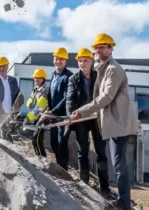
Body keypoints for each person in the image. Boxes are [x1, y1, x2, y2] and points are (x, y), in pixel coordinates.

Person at [71, 33, 138, 210]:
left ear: (110, 48)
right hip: (115, 123)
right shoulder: (104, 68)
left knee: (119, 165)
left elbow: (106, 97)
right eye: (97, 48)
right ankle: (123, 201)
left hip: (119, 124)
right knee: (118, 164)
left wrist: (82, 111)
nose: (98, 51)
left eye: (102, 47)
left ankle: (124, 204)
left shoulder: (113, 70)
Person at [66, 48, 110, 196]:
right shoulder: (73, 79)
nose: (82, 63)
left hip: (98, 119)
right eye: (80, 61)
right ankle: (84, 186)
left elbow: (105, 96)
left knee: (101, 153)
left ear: (92, 61)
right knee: (82, 151)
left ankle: (105, 188)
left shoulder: (99, 76)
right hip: (81, 119)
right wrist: (71, 115)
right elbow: (70, 100)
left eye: (85, 60)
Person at [43, 47, 73, 170]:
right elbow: (50, 94)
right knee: (54, 143)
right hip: (53, 117)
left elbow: (66, 98)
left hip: (62, 117)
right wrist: (48, 109)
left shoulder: (68, 77)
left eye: (61, 59)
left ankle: (63, 169)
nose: (58, 61)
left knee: (61, 144)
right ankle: (59, 168)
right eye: (56, 58)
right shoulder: (53, 75)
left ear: (65, 60)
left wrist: (53, 111)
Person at [25, 68, 48, 157]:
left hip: (41, 119)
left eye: (39, 78)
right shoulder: (35, 90)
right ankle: (39, 158)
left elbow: (39, 108)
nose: (36, 80)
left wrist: (28, 117)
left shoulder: (44, 91)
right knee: (35, 141)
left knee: (37, 140)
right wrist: (29, 102)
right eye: (35, 78)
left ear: (43, 79)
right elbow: (31, 99)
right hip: (35, 118)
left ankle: (42, 159)